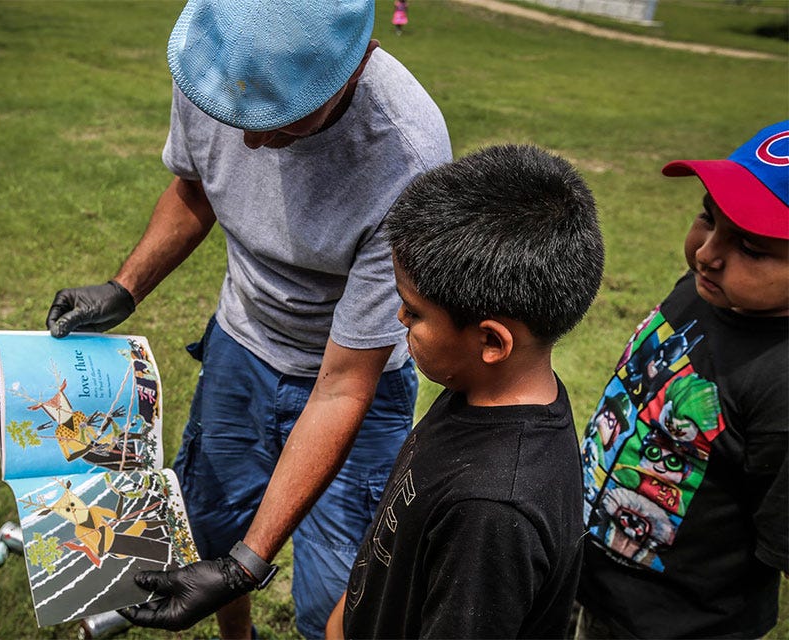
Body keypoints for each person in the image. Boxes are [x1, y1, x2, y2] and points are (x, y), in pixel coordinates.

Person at [44, 0, 452, 637]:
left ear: (353, 66)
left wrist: (248, 565)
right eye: (236, 118)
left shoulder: (406, 155)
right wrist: (125, 289)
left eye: (284, 121)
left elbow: (345, 384)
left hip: (350, 383)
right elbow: (195, 191)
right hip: (242, 346)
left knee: (340, 596)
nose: (254, 141)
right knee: (208, 531)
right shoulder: (214, 72)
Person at [325, 143, 606, 638]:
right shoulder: (480, 389)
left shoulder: (492, 514)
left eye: (414, 311)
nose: (400, 318)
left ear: (492, 341)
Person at [575, 121, 789, 639]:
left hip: (677, 626)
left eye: (753, 249)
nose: (707, 253)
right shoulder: (705, 289)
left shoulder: (781, 388)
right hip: (594, 582)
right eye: (707, 218)